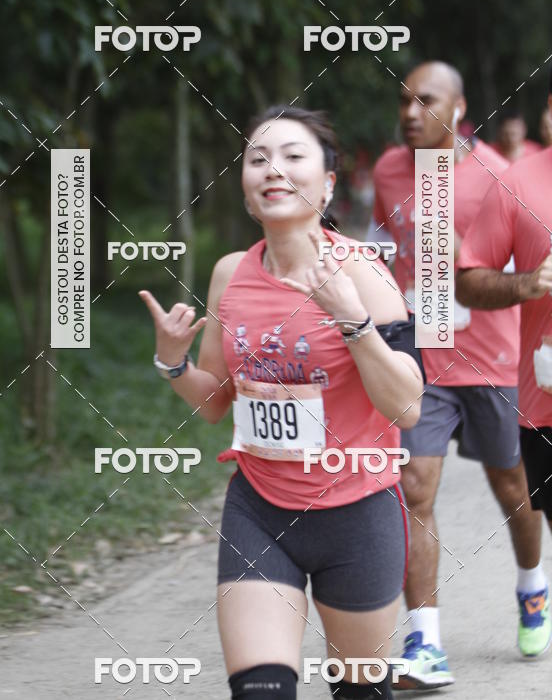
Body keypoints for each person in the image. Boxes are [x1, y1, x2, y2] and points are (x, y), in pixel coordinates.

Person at [140, 106, 425, 699]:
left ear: (327, 183)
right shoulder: (230, 274)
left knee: (359, 692)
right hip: (260, 511)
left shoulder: (363, 271)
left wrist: (352, 321)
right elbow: (216, 403)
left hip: (359, 512)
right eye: (258, 159)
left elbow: (408, 408)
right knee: (260, 691)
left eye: (293, 156)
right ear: (246, 186)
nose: (273, 169)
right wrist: (174, 363)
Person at [368, 61, 548, 689]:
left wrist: (466, 264)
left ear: (460, 107)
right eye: (403, 101)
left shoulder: (499, 176)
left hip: (492, 358)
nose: (410, 113)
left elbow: (523, 268)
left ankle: (531, 583)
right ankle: (426, 642)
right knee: (414, 486)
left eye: (425, 101)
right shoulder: (389, 172)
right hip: (421, 356)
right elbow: (384, 251)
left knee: (513, 486)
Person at [456, 75, 552, 658]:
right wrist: (526, 283)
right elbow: (467, 282)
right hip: (546, 399)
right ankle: (532, 588)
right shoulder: (516, 182)